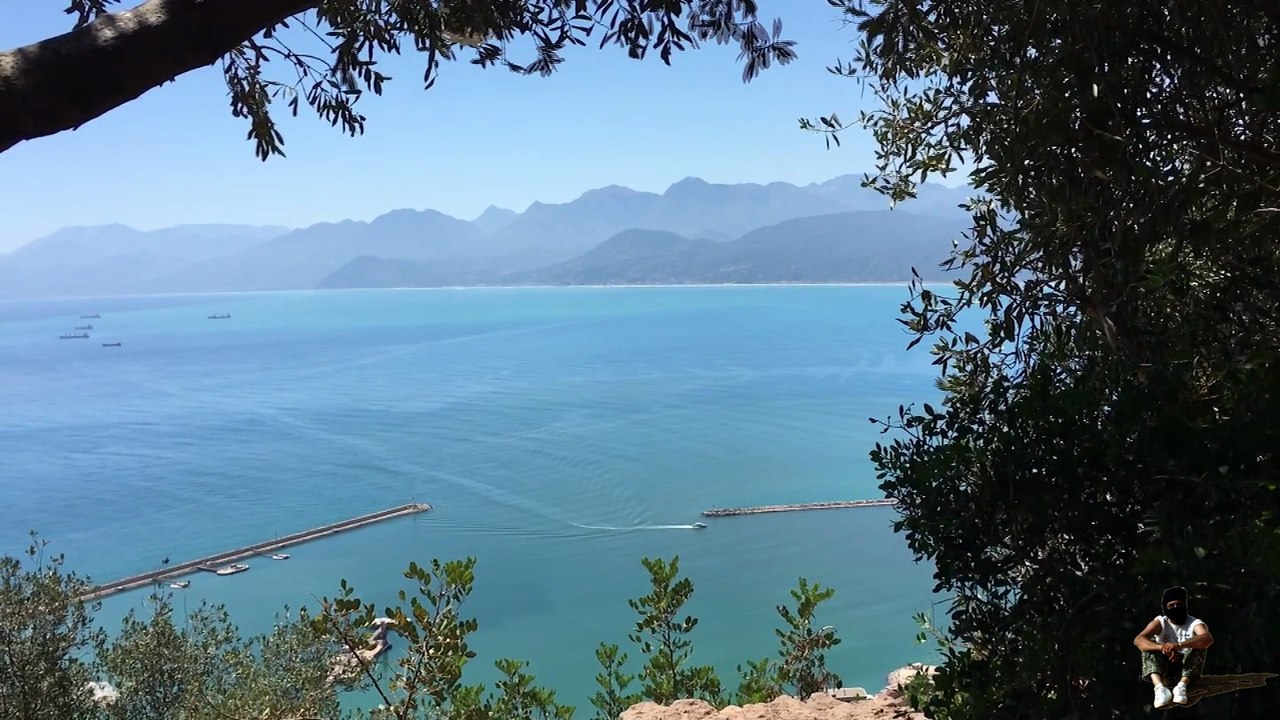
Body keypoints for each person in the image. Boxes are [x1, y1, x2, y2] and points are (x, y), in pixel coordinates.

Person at [1133, 586, 1215, 708]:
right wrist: (1163, 648)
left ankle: (1181, 687)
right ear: (1165, 608)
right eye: (1171, 605)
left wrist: (1178, 646)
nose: (1176, 608)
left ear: (1185, 605)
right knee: (1148, 644)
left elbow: (1207, 638)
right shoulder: (1161, 622)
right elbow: (1138, 640)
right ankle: (1160, 689)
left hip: (1187, 672)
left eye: (1179, 604)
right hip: (1165, 670)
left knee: (1198, 645)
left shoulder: (1194, 623)